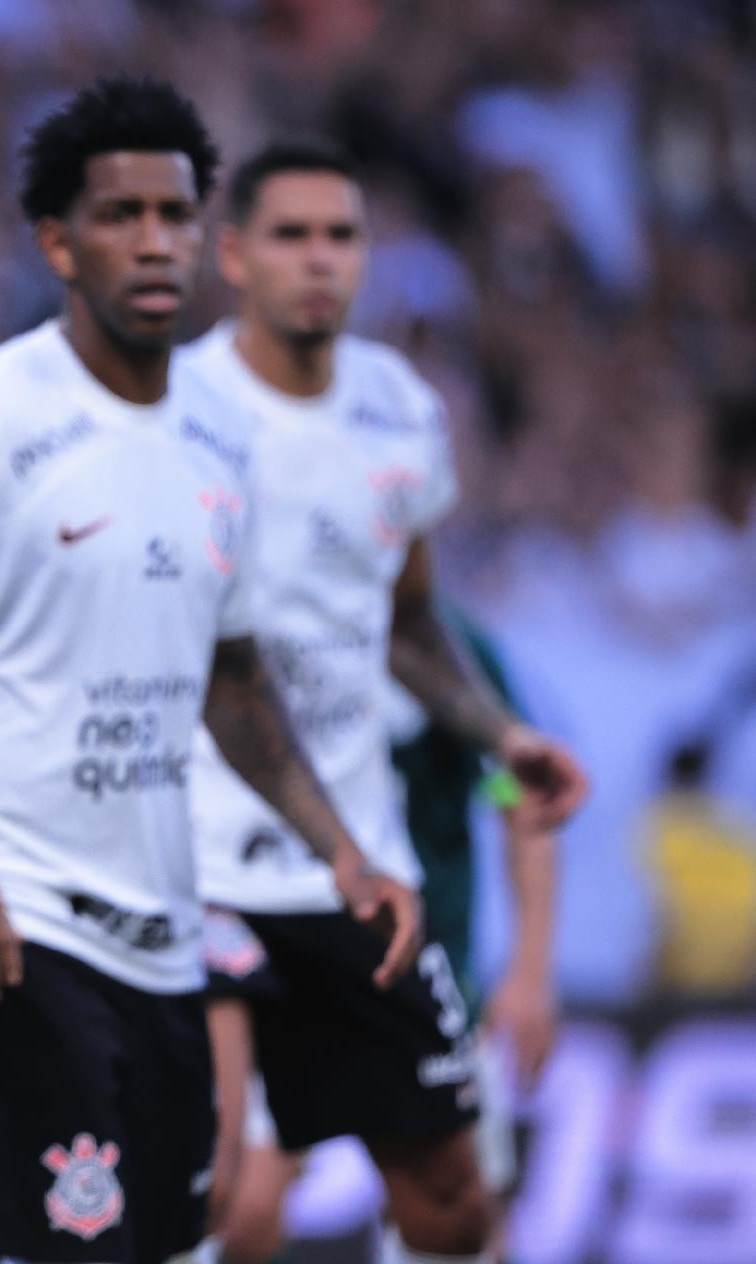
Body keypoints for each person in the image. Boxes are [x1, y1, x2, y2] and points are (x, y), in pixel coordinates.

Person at [0, 78, 419, 1264]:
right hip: (3, 902)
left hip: (158, 925)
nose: (158, 240)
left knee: (175, 1242)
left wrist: (340, 847)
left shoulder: (221, 439)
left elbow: (231, 680)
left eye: (176, 212)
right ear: (58, 242)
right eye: (122, 215)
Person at [184, 140, 587, 1264]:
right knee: (226, 1197)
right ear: (234, 256)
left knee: (454, 1201)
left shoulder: (400, 409)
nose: (320, 260)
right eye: (291, 235)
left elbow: (411, 624)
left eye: (342, 235)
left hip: (366, 882)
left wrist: (502, 735)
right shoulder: (180, 411)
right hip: (202, 863)